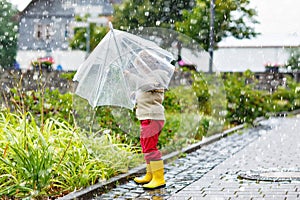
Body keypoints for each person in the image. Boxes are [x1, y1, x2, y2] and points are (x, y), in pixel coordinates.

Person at [125, 50, 172, 189]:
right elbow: (145, 89)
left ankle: (159, 178)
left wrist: (131, 76)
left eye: (140, 66)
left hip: (153, 117)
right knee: (145, 146)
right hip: (146, 117)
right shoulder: (148, 77)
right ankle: (150, 174)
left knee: (151, 147)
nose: (139, 69)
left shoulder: (158, 76)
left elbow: (148, 85)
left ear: (147, 65)